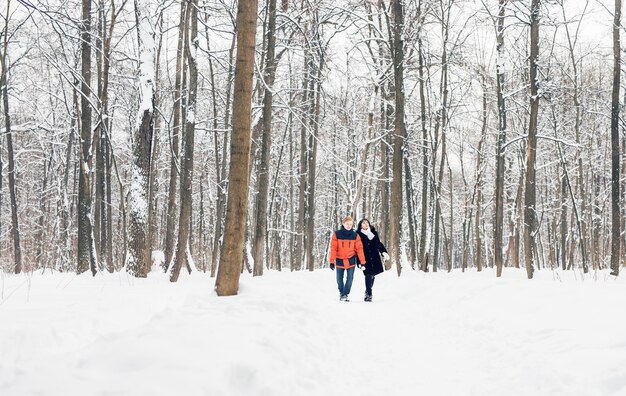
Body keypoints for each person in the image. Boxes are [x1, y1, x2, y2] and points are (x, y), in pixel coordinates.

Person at [329, 216, 366, 302]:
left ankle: (345, 294)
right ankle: (342, 293)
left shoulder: (355, 235)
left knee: (350, 278)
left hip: (351, 259)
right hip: (339, 259)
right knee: (339, 279)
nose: (349, 226)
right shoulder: (337, 234)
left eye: (350, 224)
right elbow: (333, 248)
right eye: (347, 224)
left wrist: (363, 262)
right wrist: (332, 261)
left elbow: (359, 249)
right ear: (343, 224)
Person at [356, 218, 389, 302]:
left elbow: (378, 243)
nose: (366, 224)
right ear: (360, 225)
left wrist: (383, 252)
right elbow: (356, 248)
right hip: (364, 258)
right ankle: (369, 294)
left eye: (367, 222)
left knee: (373, 276)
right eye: (363, 223)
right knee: (367, 274)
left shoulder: (373, 233)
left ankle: (367, 291)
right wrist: (359, 262)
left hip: (374, 257)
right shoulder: (358, 234)